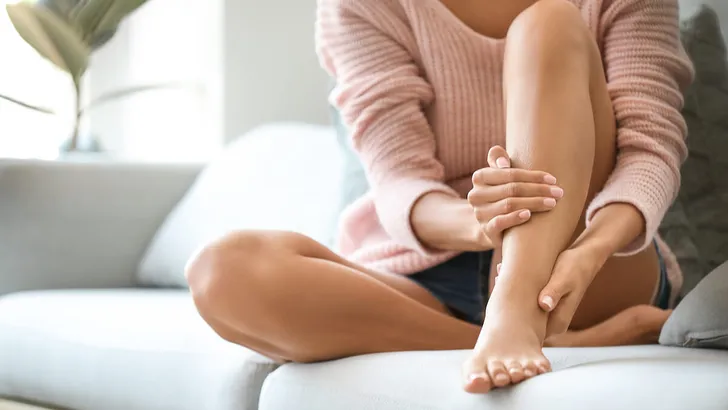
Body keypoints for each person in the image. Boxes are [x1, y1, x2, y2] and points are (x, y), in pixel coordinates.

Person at [185, 0, 694, 394]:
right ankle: (550, 343)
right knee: (222, 272)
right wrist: (479, 222)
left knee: (549, 25)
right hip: (434, 270)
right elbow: (400, 182)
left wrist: (588, 252)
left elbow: (650, 150)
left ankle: (519, 311)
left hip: (585, 264)